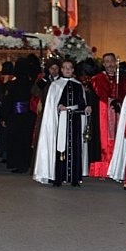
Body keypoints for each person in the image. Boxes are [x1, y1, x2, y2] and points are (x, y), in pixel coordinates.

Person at [33, 59, 91, 187]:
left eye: (70, 68)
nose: (67, 70)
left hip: (75, 121)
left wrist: (86, 108)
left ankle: (75, 178)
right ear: (61, 70)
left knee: (75, 147)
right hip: (61, 122)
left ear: (73, 70)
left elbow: (82, 102)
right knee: (60, 148)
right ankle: (58, 177)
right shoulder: (55, 85)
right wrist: (59, 107)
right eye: (65, 68)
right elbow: (51, 105)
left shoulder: (78, 85)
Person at [88, 53, 126, 178]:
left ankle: (117, 168)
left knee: (118, 139)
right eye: (106, 62)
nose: (110, 64)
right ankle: (102, 169)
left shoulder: (123, 80)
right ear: (103, 64)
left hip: (118, 112)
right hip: (103, 113)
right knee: (104, 141)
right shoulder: (97, 79)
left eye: (112, 61)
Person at [1, 58, 35, 174]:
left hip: (14, 116)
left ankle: (16, 163)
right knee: (26, 140)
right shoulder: (31, 84)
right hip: (28, 116)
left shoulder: (12, 85)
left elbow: (7, 101)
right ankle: (26, 163)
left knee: (15, 140)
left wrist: (4, 117)